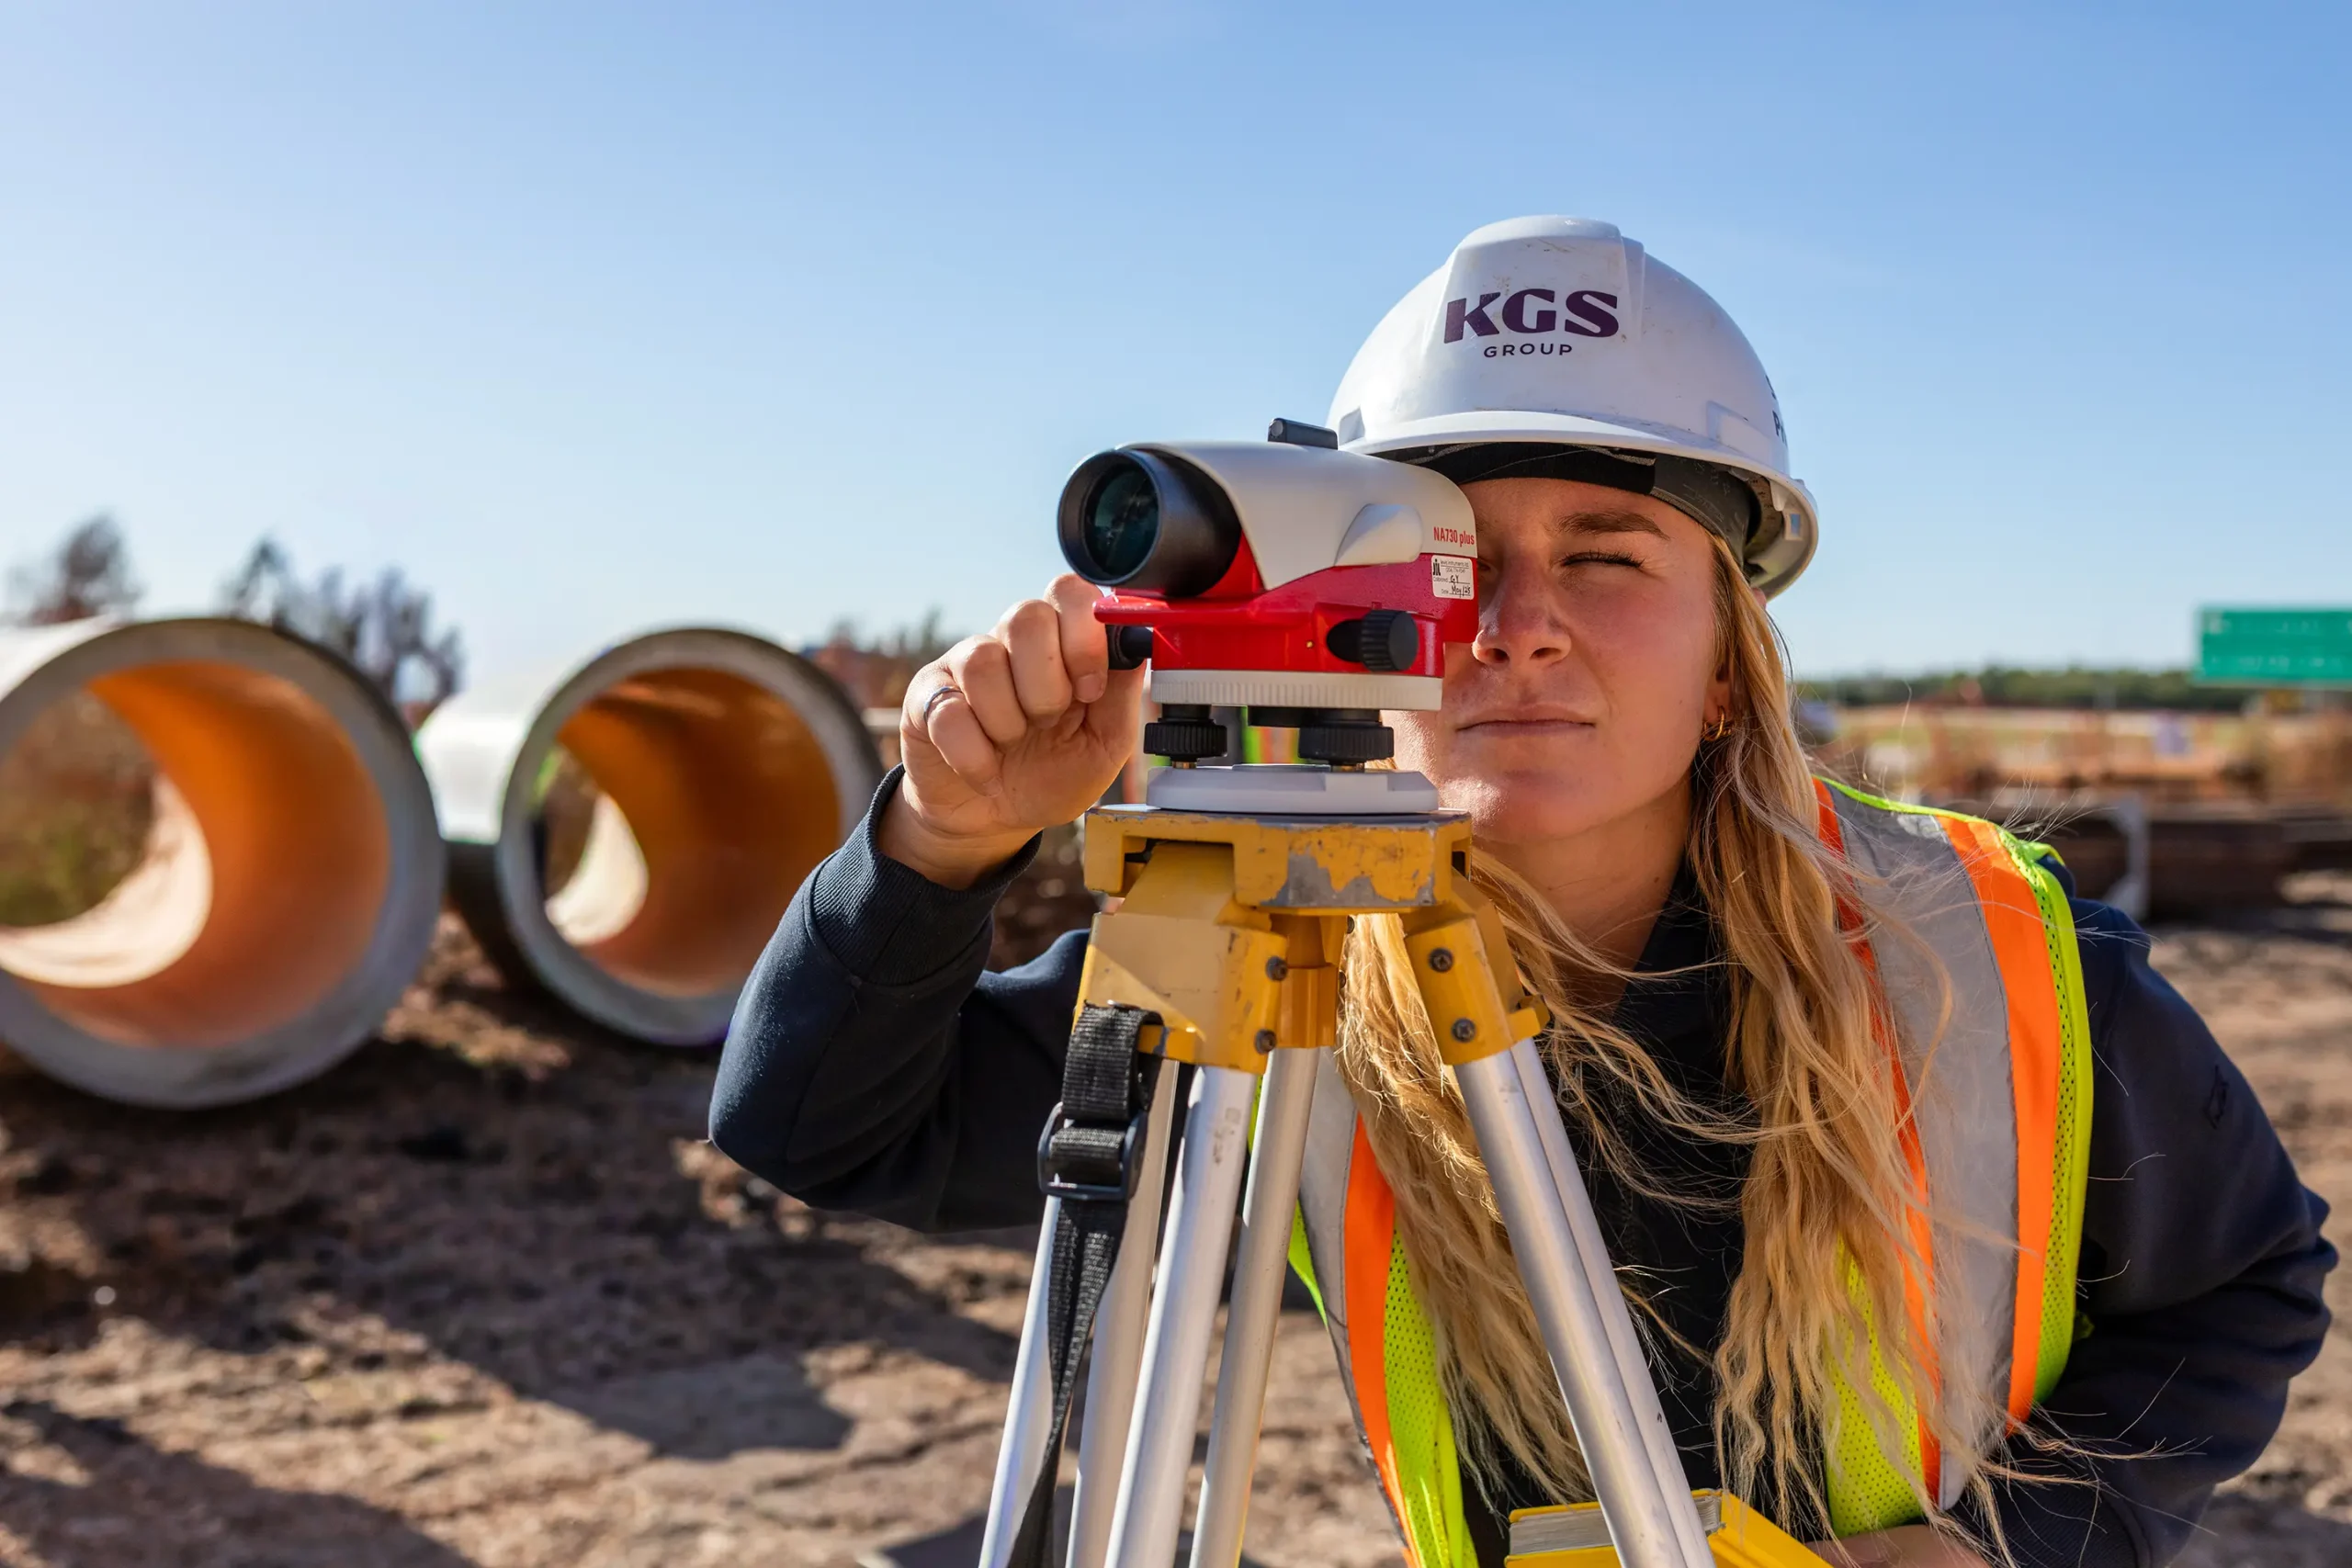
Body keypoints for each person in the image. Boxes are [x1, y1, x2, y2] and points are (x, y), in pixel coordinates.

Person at [709, 218, 2333, 1568]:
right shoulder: (1283, 961)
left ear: (1726, 666)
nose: (1516, 624)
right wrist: (942, 831)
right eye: (1450, 561)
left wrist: (2001, 1541)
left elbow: (2245, 1285)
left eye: (1611, 551)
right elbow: (824, 1125)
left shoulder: (1984, 954)